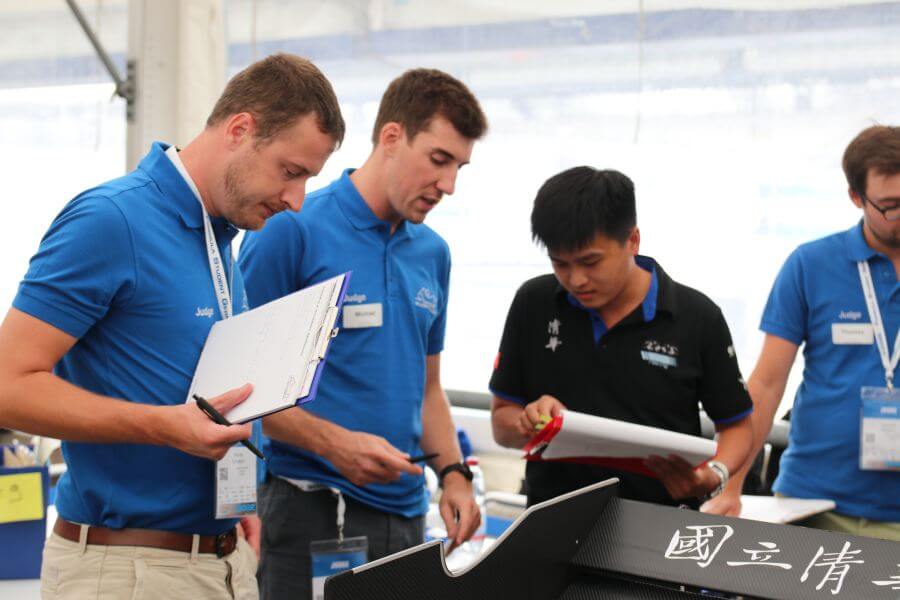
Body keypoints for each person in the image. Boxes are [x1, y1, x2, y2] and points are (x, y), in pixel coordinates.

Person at [0, 53, 344, 598]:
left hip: (219, 554)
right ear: (240, 129)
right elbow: (7, 387)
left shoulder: (220, 239)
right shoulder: (111, 219)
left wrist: (233, 507)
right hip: (126, 567)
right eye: (291, 171)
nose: (297, 201)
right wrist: (165, 426)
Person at [238, 68, 488, 600]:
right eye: (439, 159)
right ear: (392, 137)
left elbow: (428, 389)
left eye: (459, 167)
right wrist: (335, 446)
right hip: (307, 508)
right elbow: (239, 392)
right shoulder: (292, 229)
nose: (448, 185)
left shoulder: (433, 253)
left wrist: (453, 475)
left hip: (405, 516)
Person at [490, 167, 753, 509]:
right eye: (560, 264)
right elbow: (502, 423)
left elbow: (737, 427)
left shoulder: (696, 317)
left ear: (633, 240)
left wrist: (715, 475)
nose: (576, 279)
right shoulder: (535, 302)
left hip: (661, 522)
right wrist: (528, 421)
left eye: (591, 262)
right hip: (554, 520)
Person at [703, 125, 900, 541]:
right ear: (856, 198)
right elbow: (767, 383)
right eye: (891, 206)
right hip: (815, 502)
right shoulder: (811, 265)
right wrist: (731, 485)